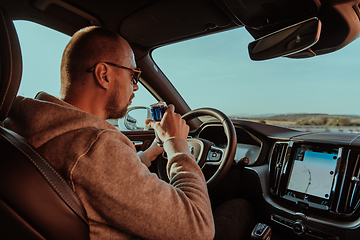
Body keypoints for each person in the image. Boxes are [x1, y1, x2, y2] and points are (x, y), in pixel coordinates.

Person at [5, 26, 253, 240]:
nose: (135, 86)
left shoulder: (27, 123)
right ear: (104, 75)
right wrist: (178, 146)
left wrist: (150, 153)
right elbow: (199, 228)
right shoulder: (96, 145)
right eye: (133, 75)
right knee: (241, 206)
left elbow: (102, 180)